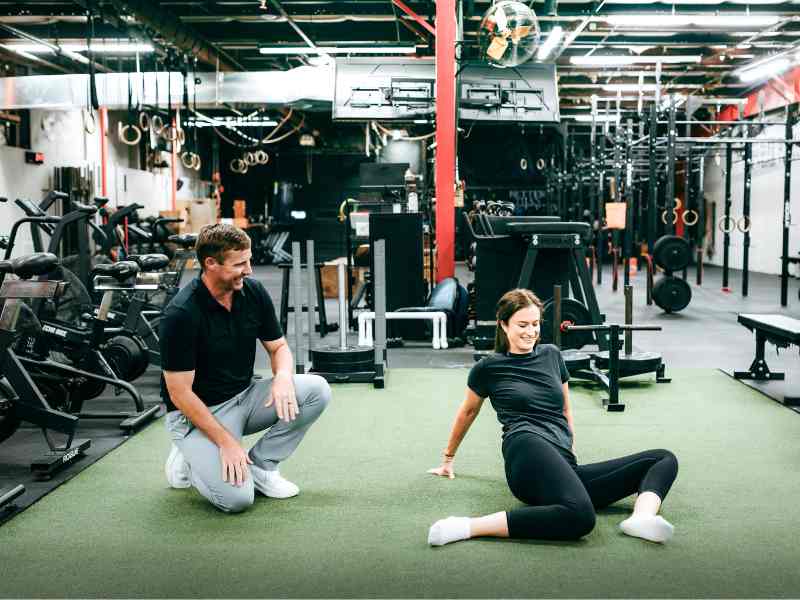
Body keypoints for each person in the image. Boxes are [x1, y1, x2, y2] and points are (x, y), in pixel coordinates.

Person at [427, 288, 678, 546]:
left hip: (560, 458)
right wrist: (448, 458)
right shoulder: (488, 367)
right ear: (504, 325)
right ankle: (466, 526)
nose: (530, 332)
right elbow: (468, 411)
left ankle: (641, 519)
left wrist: (568, 451)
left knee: (662, 459)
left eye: (535, 324)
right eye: (522, 325)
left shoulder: (552, 354)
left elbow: (565, 410)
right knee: (581, 517)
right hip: (524, 447)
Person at [160, 223, 331, 513]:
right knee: (237, 500)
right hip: (197, 413)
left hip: (245, 397)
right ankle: (192, 454)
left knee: (316, 390)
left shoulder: (252, 291)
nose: (249, 270)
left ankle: (262, 466)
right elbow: (180, 394)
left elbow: (278, 348)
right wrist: (226, 442)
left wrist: (282, 378)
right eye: (240, 264)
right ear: (210, 263)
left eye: (248, 260)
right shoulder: (181, 314)